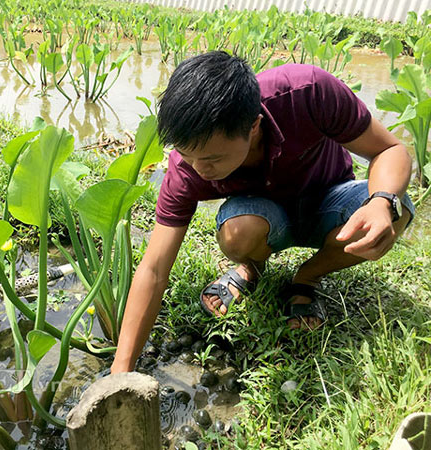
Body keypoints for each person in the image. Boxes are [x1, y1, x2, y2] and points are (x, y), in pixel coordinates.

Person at [110, 51, 415, 374]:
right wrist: (121, 369)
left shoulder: (308, 92)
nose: (199, 169)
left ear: (254, 126)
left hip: (326, 200)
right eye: (187, 155)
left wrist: (382, 202)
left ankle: (307, 278)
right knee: (238, 231)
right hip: (261, 218)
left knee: (398, 210)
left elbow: (391, 149)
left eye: (212, 159)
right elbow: (154, 270)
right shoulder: (187, 170)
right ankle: (251, 268)